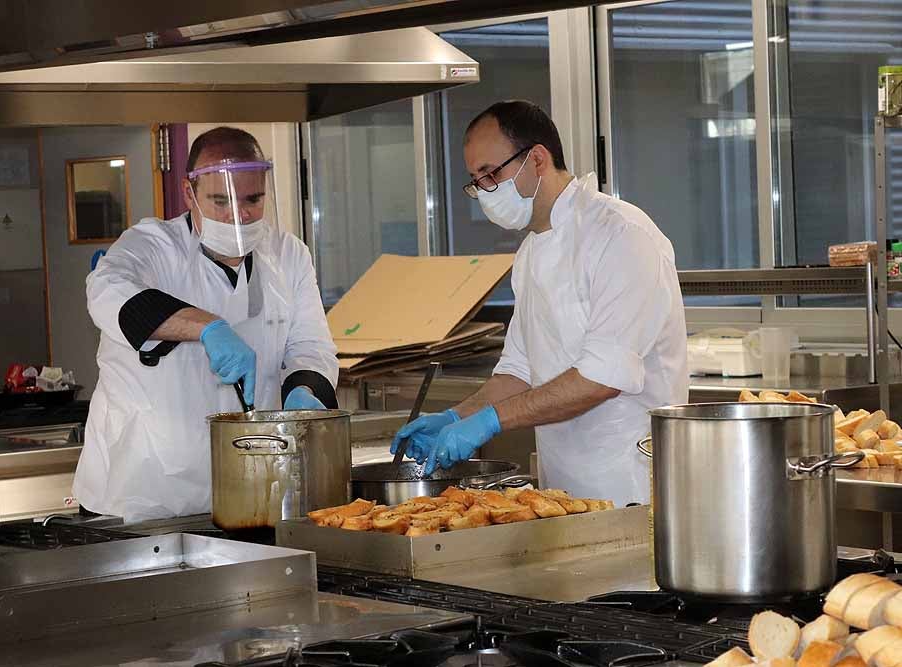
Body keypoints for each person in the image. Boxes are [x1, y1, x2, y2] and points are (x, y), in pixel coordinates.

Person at [391, 100, 687, 506]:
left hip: (632, 485)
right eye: (476, 181)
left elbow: (601, 377)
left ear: (538, 159)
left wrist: (491, 422)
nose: (484, 192)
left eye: (491, 174)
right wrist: (457, 416)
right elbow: (518, 371)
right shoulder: (531, 252)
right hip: (563, 488)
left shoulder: (621, 235)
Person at [73, 126, 338, 522]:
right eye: (220, 201)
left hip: (246, 494)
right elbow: (107, 291)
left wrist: (304, 392)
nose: (239, 214)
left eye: (253, 199)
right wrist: (207, 328)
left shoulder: (288, 256)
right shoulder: (151, 246)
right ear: (189, 193)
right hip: (139, 499)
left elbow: (311, 347)